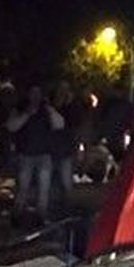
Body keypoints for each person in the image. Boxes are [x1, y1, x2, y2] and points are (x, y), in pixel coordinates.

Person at [6, 84, 62, 225]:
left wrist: (50, 110)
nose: (35, 96)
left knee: (44, 188)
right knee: (23, 187)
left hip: (44, 154)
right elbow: (11, 126)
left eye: (38, 93)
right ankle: (18, 214)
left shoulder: (46, 111)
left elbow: (60, 125)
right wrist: (26, 115)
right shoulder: (20, 109)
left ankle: (41, 216)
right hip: (26, 154)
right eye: (33, 93)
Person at [48, 81, 80, 217]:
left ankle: (67, 209)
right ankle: (54, 209)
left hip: (65, 150)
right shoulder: (51, 107)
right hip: (51, 149)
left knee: (66, 182)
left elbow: (74, 127)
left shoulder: (72, 109)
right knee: (52, 181)